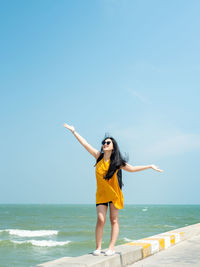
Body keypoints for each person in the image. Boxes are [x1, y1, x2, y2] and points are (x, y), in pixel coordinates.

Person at [63, 123, 163, 256]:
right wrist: (74, 132)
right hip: (101, 194)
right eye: (104, 142)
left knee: (113, 220)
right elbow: (85, 144)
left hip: (114, 194)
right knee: (101, 219)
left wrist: (150, 166)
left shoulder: (117, 162)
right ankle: (98, 247)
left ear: (113, 146)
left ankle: (111, 247)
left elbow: (132, 169)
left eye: (108, 142)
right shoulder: (98, 156)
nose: (105, 144)